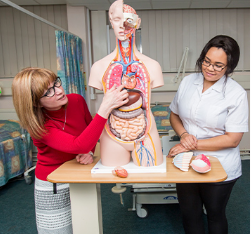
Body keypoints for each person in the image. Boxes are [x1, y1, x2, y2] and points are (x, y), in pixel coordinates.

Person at [12, 67, 129, 234]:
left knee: (87, 226)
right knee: (59, 231)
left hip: (80, 173)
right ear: (35, 102)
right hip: (54, 182)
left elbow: (90, 132)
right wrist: (105, 107)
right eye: (48, 92)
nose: (59, 91)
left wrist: (88, 152)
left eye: (56, 83)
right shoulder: (38, 126)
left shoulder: (76, 100)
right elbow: (78, 145)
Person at [168, 35, 249, 234]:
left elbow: (233, 139)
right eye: (207, 61)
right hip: (185, 161)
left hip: (219, 164)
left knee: (215, 214)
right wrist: (184, 134)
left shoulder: (235, 93)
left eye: (218, 65)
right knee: (189, 213)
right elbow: (174, 114)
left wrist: (190, 144)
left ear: (229, 67)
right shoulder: (188, 81)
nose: (210, 68)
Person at [89, 0, 164, 167]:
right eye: (117, 19)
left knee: (150, 176)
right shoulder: (98, 67)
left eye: (128, 20)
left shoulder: (153, 66)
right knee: (111, 176)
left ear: (137, 23)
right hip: (111, 133)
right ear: (111, 22)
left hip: (146, 131)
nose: (123, 25)